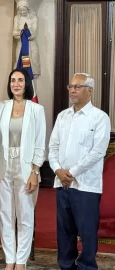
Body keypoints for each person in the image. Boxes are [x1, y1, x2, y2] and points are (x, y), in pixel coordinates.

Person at [49, 73, 111, 270]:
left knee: (87, 233)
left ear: (90, 91)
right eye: (71, 86)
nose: (72, 90)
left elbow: (98, 152)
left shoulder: (99, 118)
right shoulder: (62, 116)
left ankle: (87, 267)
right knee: (64, 232)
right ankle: (66, 266)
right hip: (62, 183)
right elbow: (53, 148)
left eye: (78, 86)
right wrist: (58, 170)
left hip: (86, 186)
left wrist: (71, 173)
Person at [0, 68, 46, 269]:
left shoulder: (36, 109)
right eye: (13, 80)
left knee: (25, 216)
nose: (16, 84)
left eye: (20, 80)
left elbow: (40, 143)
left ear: (26, 83)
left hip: (26, 169)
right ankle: (9, 260)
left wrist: (35, 172)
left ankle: (21, 261)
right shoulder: (1, 107)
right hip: (3, 168)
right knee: (5, 215)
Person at [13, 0, 40, 79]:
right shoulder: (16, 18)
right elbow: (14, 33)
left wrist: (30, 35)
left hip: (31, 45)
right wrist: (22, 34)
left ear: (28, 9)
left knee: (32, 65)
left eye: (23, 10)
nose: (22, 12)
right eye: (20, 10)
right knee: (22, 65)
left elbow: (34, 33)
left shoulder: (33, 17)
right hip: (22, 45)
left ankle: (31, 84)